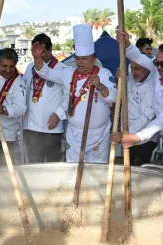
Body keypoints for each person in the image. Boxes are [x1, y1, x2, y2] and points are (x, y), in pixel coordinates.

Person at [33, 24, 117, 163]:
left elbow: (113, 97)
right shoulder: (68, 72)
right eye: (78, 58)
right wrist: (37, 58)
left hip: (99, 136)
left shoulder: (103, 73)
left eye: (84, 58)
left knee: (96, 174)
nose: (80, 62)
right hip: (75, 134)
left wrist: (100, 86)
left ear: (94, 59)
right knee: (72, 171)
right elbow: (45, 72)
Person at [114, 29, 163, 171]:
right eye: (157, 62)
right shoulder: (157, 69)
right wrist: (127, 44)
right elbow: (139, 58)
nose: (159, 67)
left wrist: (137, 137)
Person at [22, 33, 67, 163]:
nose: (39, 55)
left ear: (50, 49)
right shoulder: (30, 67)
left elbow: (68, 97)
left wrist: (59, 114)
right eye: (35, 52)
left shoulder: (62, 69)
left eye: (42, 52)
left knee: (54, 165)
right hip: (30, 127)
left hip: (51, 127)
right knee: (34, 164)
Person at [112, 61, 157, 166]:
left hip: (143, 138)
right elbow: (123, 88)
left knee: (139, 171)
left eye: (137, 69)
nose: (133, 72)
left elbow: (145, 117)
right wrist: (121, 78)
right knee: (128, 166)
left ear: (146, 69)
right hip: (128, 134)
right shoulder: (132, 79)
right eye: (131, 68)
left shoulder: (152, 87)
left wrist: (126, 133)